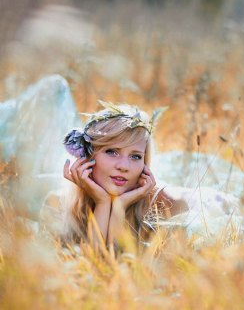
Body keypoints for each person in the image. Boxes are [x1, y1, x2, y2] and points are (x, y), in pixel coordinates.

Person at [40, 100, 187, 246]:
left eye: (135, 156)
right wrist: (102, 203)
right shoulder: (56, 204)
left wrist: (119, 208)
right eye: (112, 152)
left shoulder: (168, 205)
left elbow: (120, 265)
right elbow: (94, 263)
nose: (124, 166)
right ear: (88, 156)